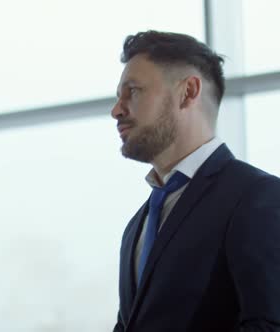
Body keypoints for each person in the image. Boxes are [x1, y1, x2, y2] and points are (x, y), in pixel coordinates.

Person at [111, 30, 280, 331]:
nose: (116, 110)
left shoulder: (256, 197)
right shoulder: (137, 226)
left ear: (188, 92)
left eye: (133, 91)